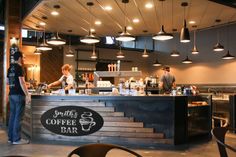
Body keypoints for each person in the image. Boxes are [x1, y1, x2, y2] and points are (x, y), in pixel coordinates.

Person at [7, 51, 31, 145]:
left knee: (12, 116)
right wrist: (27, 94)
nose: (24, 59)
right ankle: (16, 139)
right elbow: (22, 82)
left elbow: (8, 82)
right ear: (20, 58)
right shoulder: (20, 67)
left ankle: (11, 138)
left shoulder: (10, 68)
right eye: (24, 57)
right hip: (19, 95)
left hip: (11, 94)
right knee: (18, 117)